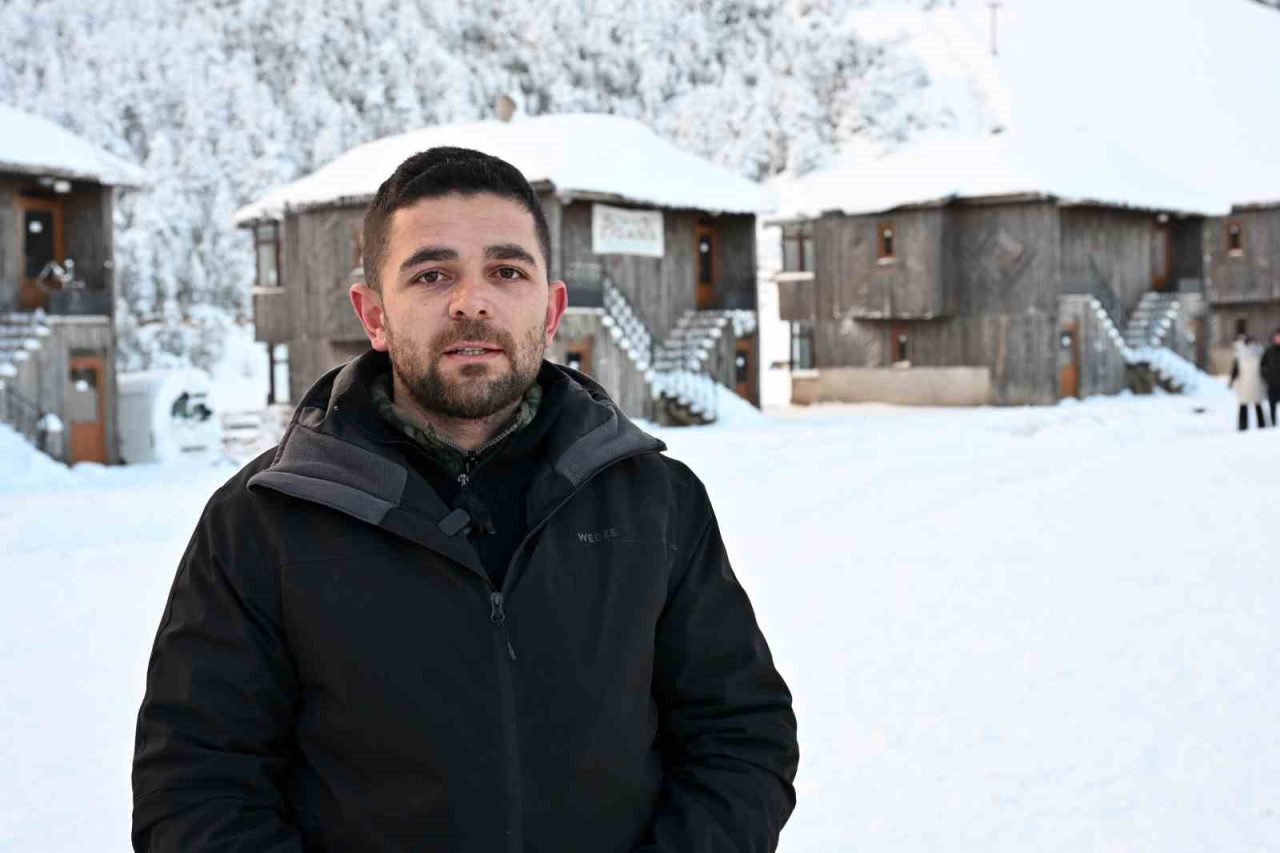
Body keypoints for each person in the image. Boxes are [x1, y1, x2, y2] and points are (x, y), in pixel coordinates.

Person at [132, 147, 798, 852]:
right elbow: (196, 791)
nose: (471, 302)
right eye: (432, 274)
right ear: (374, 315)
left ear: (552, 310)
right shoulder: (261, 522)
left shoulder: (654, 502)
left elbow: (739, 739)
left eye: (507, 271)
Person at [1230, 335, 1268, 430]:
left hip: (1255, 383)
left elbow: (1264, 369)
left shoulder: (1259, 354)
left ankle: (1259, 426)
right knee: (1246, 405)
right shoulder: (1241, 355)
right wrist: (1231, 380)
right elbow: (1235, 369)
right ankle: (1244, 426)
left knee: (1256, 405)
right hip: (1246, 383)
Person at [1261, 328, 1280, 427]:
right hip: (1272, 383)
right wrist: (1266, 377)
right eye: (1277, 337)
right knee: (1272, 405)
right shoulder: (1268, 351)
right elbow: (1262, 365)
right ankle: (1273, 424)